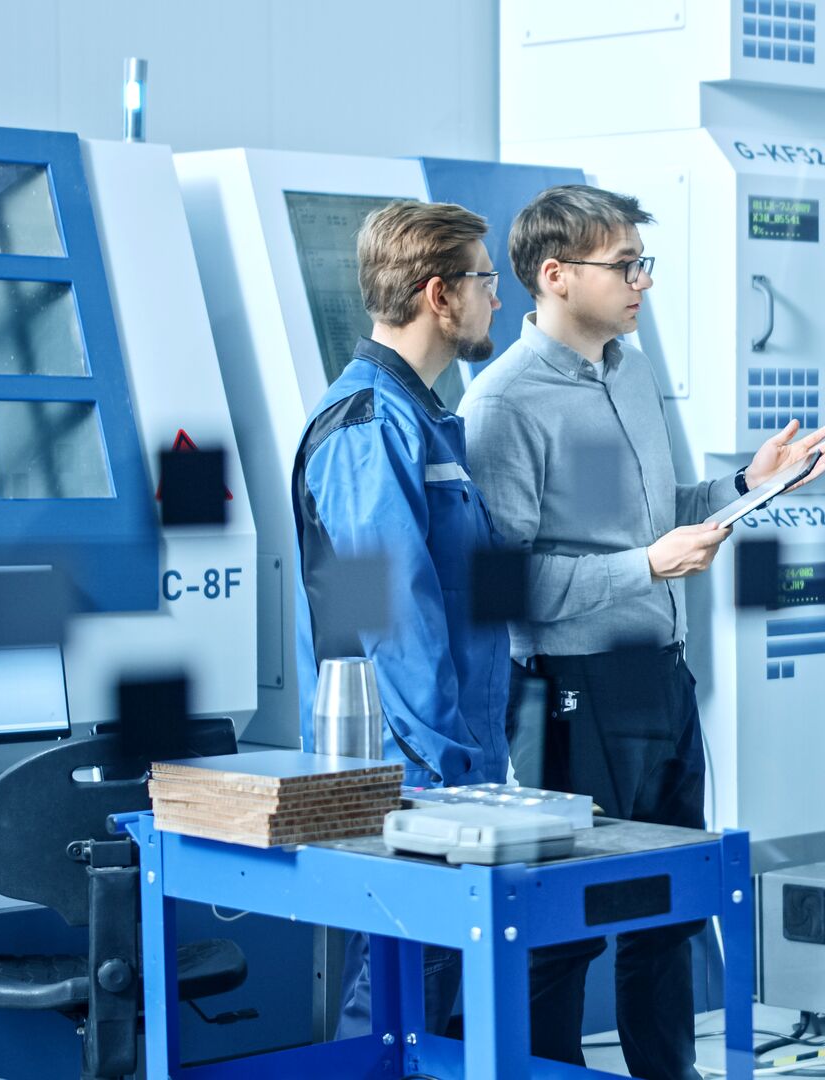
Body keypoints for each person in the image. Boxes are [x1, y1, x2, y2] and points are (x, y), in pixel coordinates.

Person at [459, 184, 825, 1080]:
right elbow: (506, 584)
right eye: (624, 264)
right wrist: (648, 568)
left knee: (668, 914)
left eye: (644, 262)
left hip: (660, 678)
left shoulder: (629, 370)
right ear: (553, 276)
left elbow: (658, 517)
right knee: (567, 931)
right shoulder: (504, 404)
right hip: (572, 691)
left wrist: (751, 481)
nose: (643, 282)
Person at [291, 199, 585, 1062]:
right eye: (486, 280)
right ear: (437, 294)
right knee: (394, 999)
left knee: (439, 1004)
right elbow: (393, 623)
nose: (500, 297)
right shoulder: (368, 426)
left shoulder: (425, 420)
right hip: (405, 772)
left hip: (452, 759)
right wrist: (457, 781)